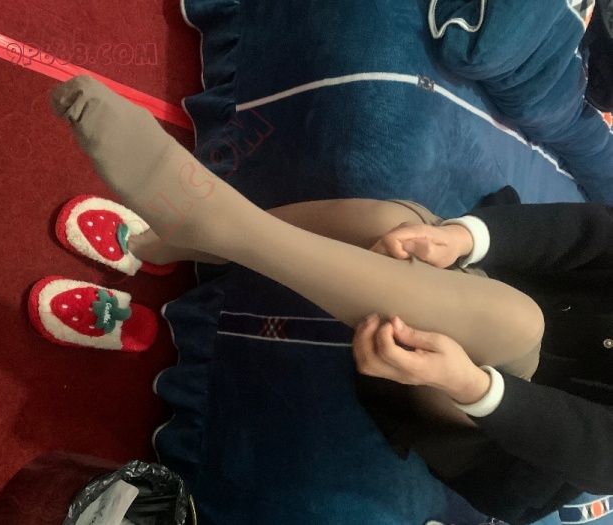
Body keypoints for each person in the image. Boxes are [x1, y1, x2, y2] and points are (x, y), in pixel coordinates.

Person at [48, 75, 593, 523]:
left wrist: (471, 386)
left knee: (519, 323)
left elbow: (592, 444)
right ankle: (180, 239)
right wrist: (465, 238)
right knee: (394, 223)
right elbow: (590, 236)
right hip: (506, 286)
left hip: (506, 419)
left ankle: (208, 223)